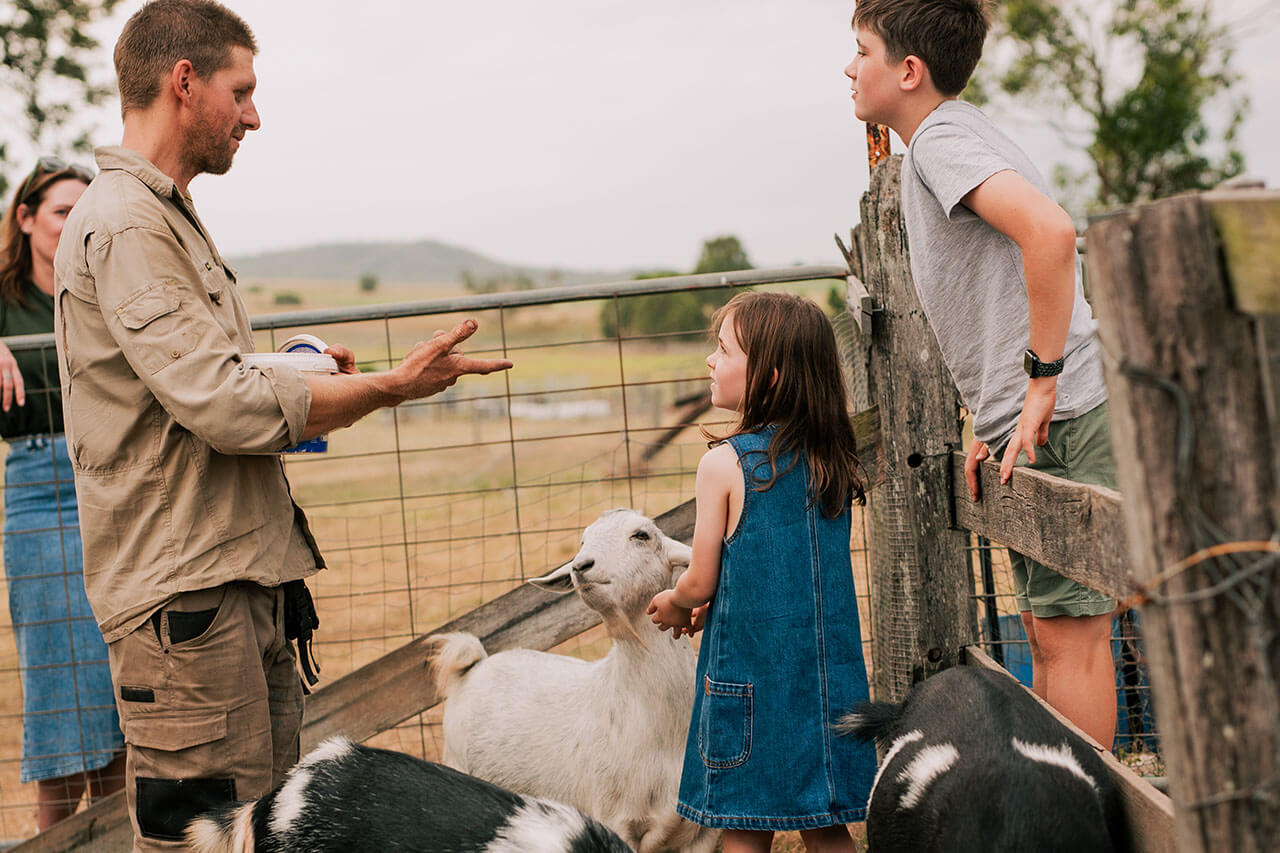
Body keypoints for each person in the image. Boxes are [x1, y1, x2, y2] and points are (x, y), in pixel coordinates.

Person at [51, 2, 512, 849]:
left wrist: (295, 368)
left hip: (228, 585)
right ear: (183, 83)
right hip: (187, 602)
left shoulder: (163, 213)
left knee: (262, 834)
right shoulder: (124, 221)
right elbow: (223, 405)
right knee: (207, 840)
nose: (254, 115)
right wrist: (388, 387)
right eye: (243, 90)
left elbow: (192, 382)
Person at [845, 0, 1117, 748]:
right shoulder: (947, 139)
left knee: (1071, 637)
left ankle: (1077, 816)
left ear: (909, 70)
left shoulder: (941, 140)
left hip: (1065, 410)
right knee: (1043, 628)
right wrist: (988, 419)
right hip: (1027, 422)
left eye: (860, 49)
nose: (849, 66)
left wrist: (1041, 379)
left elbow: (1051, 232)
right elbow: (991, 291)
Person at [647, 292, 876, 853]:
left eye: (723, 350)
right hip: (825, 683)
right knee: (825, 825)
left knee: (743, 827)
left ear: (768, 377)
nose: (710, 361)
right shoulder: (832, 461)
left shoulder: (723, 465)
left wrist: (675, 603)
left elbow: (701, 580)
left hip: (747, 686)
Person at [0, 158, 127, 829]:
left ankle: (112, 839)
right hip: (38, 488)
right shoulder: (2, 296)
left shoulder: (99, 288)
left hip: (111, 480)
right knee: (59, 686)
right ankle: (52, 840)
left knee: (117, 684)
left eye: (84, 208)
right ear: (24, 219)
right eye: (59, 210)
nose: (73, 221)